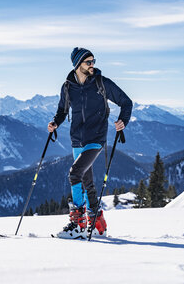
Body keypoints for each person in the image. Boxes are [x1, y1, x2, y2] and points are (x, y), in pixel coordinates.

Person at [48, 47, 133, 239]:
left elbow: (126, 102)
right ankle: (97, 224)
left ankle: (78, 225)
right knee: (86, 181)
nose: (92, 64)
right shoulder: (68, 86)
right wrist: (55, 122)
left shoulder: (101, 83)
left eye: (93, 61)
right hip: (76, 139)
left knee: (75, 174)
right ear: (78, 65)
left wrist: (123, 121)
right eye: (88, 62)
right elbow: (63, 110)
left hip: (96, 138)